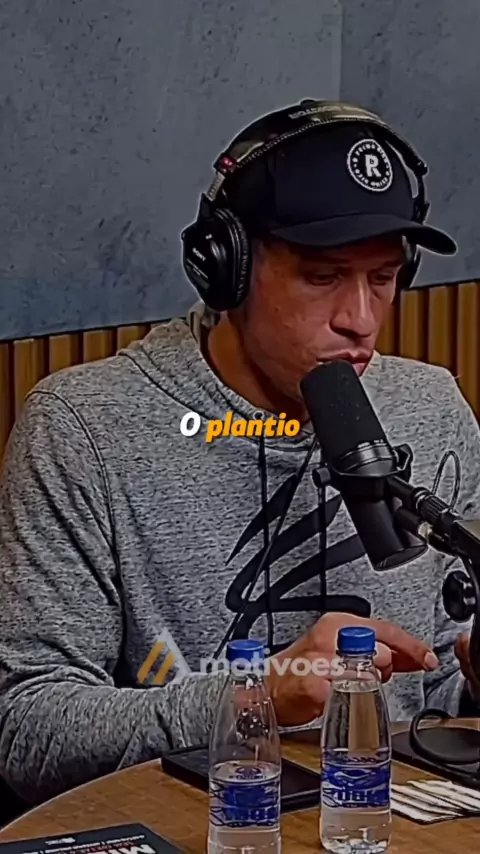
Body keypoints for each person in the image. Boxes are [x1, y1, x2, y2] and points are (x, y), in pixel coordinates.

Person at [0, 99, 479, 807]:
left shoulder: (432, 407)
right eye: (323, 276)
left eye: (382, 278)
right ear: (226, 269)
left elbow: (440, 698)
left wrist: (475, 682)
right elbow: (27, 729)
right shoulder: (85, 429)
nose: (361, 318)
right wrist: (253, 698)